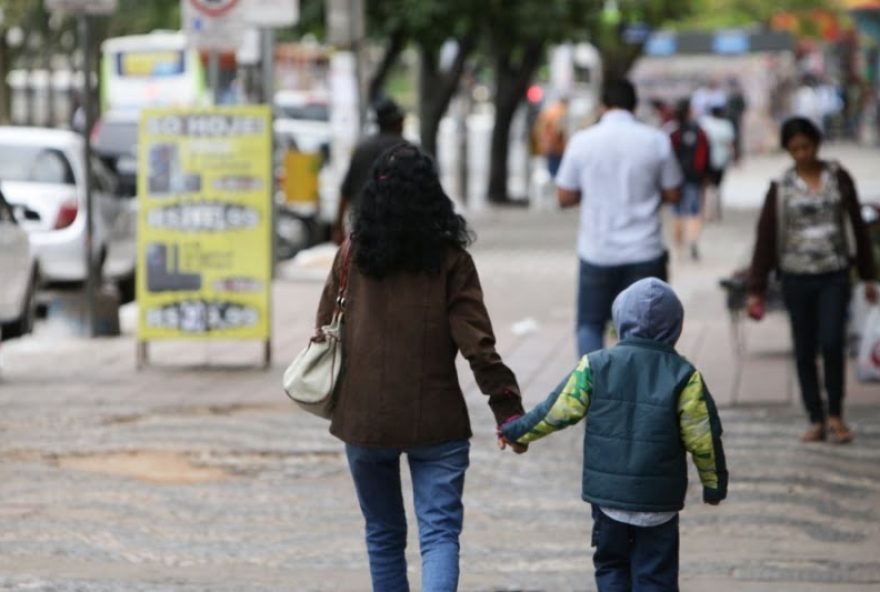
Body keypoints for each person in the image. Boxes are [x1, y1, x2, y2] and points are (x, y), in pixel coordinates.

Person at [315, 143, 526, 591]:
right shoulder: (452, 261)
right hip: (437, 420)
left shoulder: (352, 255)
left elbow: (324, 329)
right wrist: (507, 408)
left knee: (383, 534)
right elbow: (478, 345)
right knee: (439, 535)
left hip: (364, 419)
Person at [500, 277, 728, 592]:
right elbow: (703, 438)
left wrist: (516, 432)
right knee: (655, 576)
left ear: (620, 320)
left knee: (612, 568)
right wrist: (714, 486)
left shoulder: (596, 365)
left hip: (609, 500)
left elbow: (557, 410)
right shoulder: (685, 376)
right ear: (675, 327)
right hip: (658, 503)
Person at [747, 117, 878, 444]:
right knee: (804, 348)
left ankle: (836, 413)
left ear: (816, 144)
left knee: (833, 341)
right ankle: (815, 416)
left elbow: (857, 228)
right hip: (796, 276)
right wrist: (756, 288)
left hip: (834, 274)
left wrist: (868, 275)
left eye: (806, 147)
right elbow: (765, 238)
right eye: (795, 150)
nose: (802, 154)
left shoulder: (838, 177)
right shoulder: (781, 187)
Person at [555, 79, 683, 357]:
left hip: (597, 251)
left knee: (590, 324)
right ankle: (644, 392)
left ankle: (595, 391)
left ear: (603, 106)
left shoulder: (582, 141)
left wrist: (591, 194)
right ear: (634, 105)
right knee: (649, 333)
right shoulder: (656, 140)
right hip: (645, 251)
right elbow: (674, 193)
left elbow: (564, 196)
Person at [333, 97, 407, 244]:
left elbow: (345, 192)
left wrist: (338, 228)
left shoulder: (363, 149)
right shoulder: (409, 151)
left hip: (365, 233)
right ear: (397, 122)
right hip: (402, 235)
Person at [669, 99, 711, 261]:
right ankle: (693, 241)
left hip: (676, 179)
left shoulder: (673, 132)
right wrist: (706, 175)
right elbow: (705, 154)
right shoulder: (699, 131)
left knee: (677, 213)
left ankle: (680, 248)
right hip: (695, 177)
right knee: (694, 212)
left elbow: (669, 156)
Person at [699, 105, 736, 221]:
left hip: (707, 159)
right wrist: (734, 157)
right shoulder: (726, 125)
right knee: (717, 187)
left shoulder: (705, 123)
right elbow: (730, 143)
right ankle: (715, 212)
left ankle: (707, 212)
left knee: (707, 187)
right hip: (720, 159)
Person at [533, 98, 568, 176]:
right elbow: (559, 131)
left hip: (551, 150)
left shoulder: (548, 112)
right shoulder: (560, 113)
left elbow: (539, 130)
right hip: (558, 150)